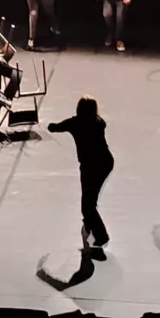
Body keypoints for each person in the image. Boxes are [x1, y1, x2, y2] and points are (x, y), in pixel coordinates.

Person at [48, 96, 114, 248]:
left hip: (90, 166)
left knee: (87, 204)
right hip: (105, 163)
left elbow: (56, 127)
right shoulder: (99, 122)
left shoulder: (76, 123)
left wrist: (50, 126)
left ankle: (101, 235)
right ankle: (90, 223)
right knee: (90, 198)